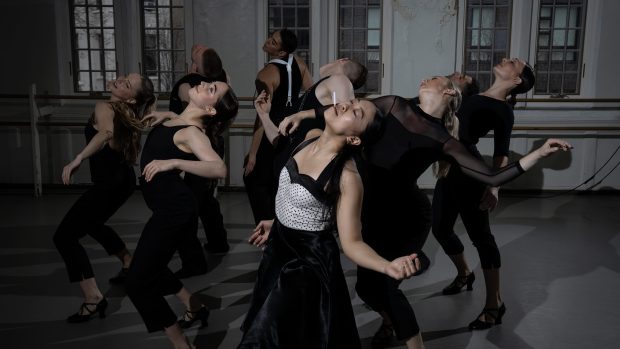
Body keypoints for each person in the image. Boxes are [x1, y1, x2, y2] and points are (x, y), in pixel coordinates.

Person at [279, 75, 571, 349]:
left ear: (447, 91)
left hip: (406, 219)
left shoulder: (442, 139)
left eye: (432, 78)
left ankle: (413, 342)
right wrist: (301, 115)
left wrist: (539, 153)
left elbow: (492, 177)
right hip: (373, 212)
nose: (423, 80)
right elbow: (345, 114)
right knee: (367, 290)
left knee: (386, 289)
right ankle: (392, 324)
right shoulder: (393, 104)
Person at [238, 89, 422, 349]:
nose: (346, 105)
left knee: (263, 338)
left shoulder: (347, 177)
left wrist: (387, 266)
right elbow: (291, 188)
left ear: (354, 139)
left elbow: (352, 243)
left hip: (306, 266)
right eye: (353, 102)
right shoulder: (309, 137)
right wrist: (279, 222)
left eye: (356, 112)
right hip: (277, 252)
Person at [126, 80, 238, 349]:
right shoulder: (178, 120)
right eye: (209, 83)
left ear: (210, 111)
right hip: (168, 208)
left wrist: (174, 162)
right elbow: (178, 120)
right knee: (153, 265)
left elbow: (219, 169)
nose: (203, 84)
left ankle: (181, 343)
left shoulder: (192, 134)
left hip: (174, 213)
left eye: (212, 90)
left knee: (137, 282)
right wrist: (167, 116)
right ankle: (195, 306)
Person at [431, 58, 537, 330]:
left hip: (470, 174)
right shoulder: (474, 96)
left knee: (482, 239)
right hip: (449, 169)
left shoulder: (503, 110)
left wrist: (494, 186)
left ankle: (494, 304)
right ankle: (465, 273)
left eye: (513, 63)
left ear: (516, 81)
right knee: (441, 228)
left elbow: (502, 153)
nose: (506, 59)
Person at [53, 73, 155, 322]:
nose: (120, 80)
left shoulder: (105, 106)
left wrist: (79, 158)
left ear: (131, 99)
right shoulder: (127, 110)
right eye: (124, 78)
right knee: (93, 224)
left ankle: (93, 298)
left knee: (64, 237)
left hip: (109, 185)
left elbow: (106, 133)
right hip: (123, 182)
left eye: (127, 84)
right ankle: (128, 261)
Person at [167, 44, 231, 278]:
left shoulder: (191, 85)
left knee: (192, 201)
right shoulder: (220, 81)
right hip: (207, 140)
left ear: (197, 67)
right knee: (204, 199)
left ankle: (193, 260)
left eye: (198, 54)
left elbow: (188, 108)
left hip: (196, 144)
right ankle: (218, 242)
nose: (197, 48)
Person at [243, 28, 313, 224]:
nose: (267, 41)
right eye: (270, 37)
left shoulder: (266, 73)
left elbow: (261, 115)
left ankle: (266, 230)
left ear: (282, 52)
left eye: (273, 42)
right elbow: (311, 94)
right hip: (292, 130)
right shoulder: (299, 63)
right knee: (278, 180)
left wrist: (253, 154)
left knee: (254, 180)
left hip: (271, 132)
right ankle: (281, 226)